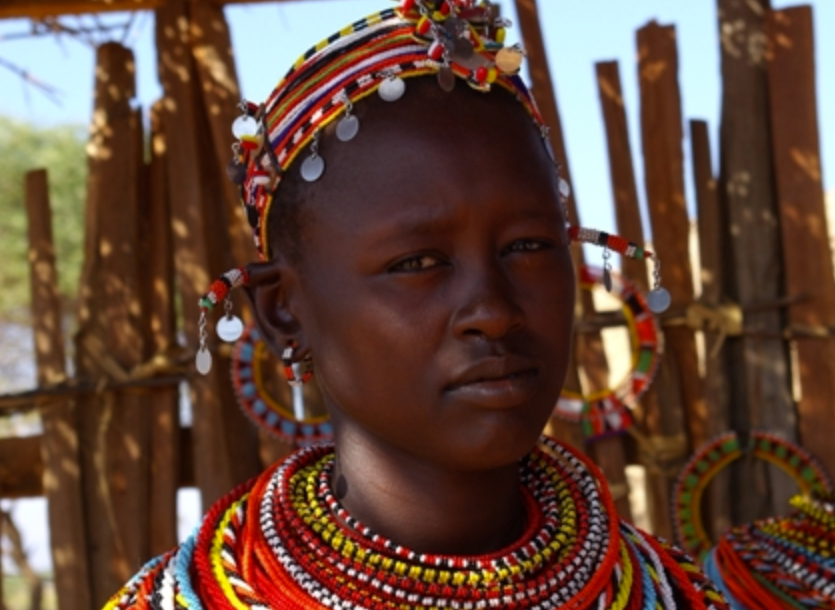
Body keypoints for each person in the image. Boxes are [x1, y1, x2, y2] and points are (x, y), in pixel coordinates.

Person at [107, 2, 726, 608]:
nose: (493, 309)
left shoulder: (671, 595)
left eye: (529, 245)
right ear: (283, 312)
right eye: (417, 263)